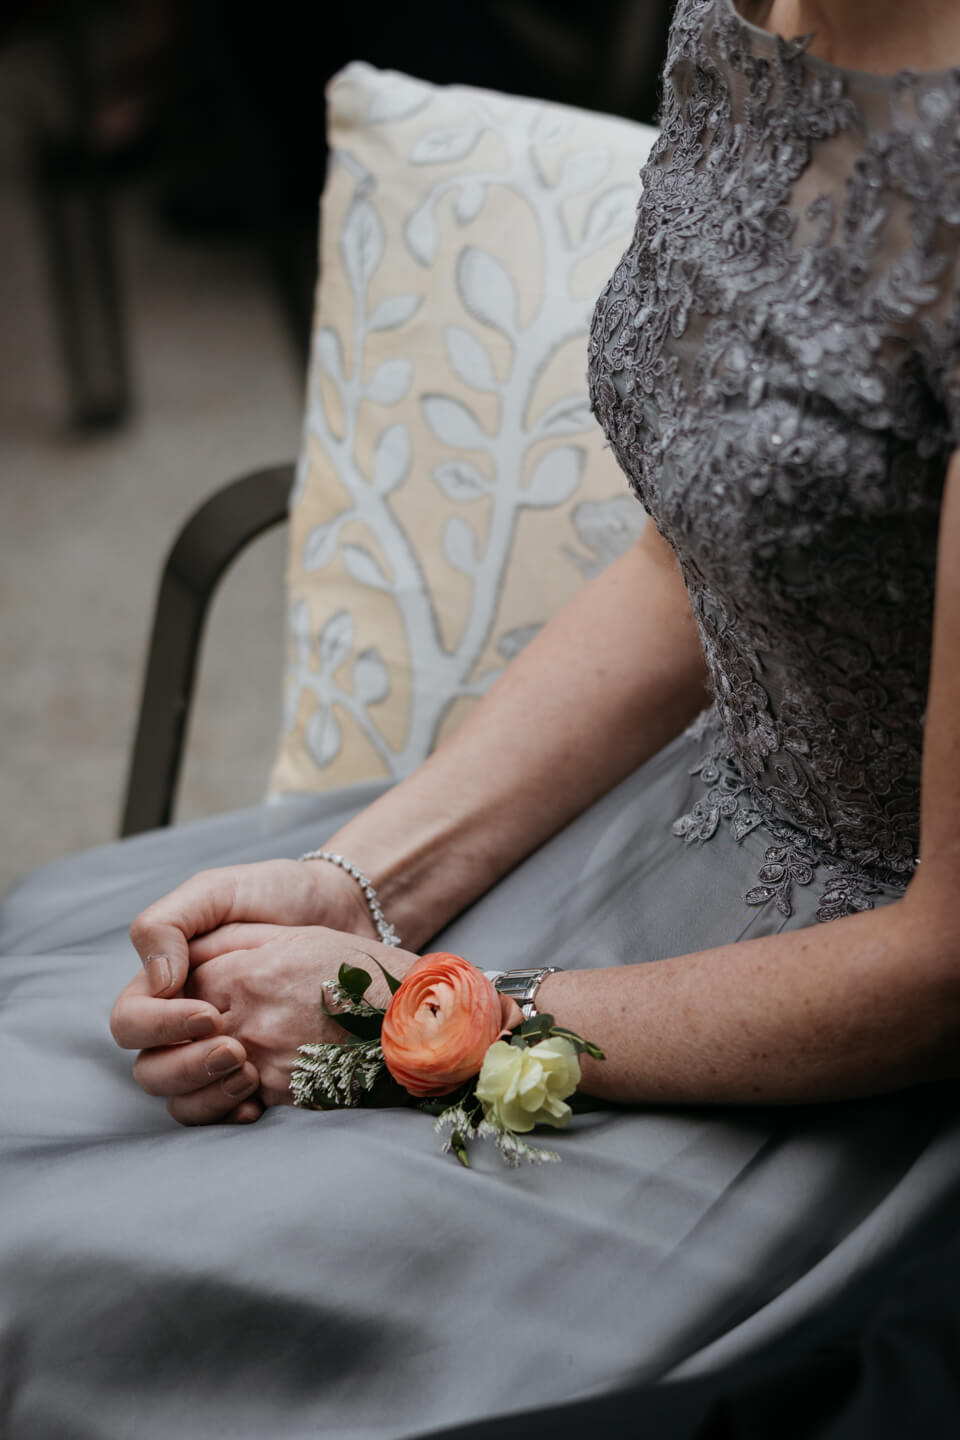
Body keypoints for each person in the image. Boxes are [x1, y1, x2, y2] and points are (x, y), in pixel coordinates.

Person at [4, 2, 960, 1436]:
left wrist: (422, 1019)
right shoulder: (749, 18)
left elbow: (945, 962)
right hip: (661, 829)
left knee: (98, 1284)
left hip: (850, 1043)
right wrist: (368, 882)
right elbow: (698, 556)